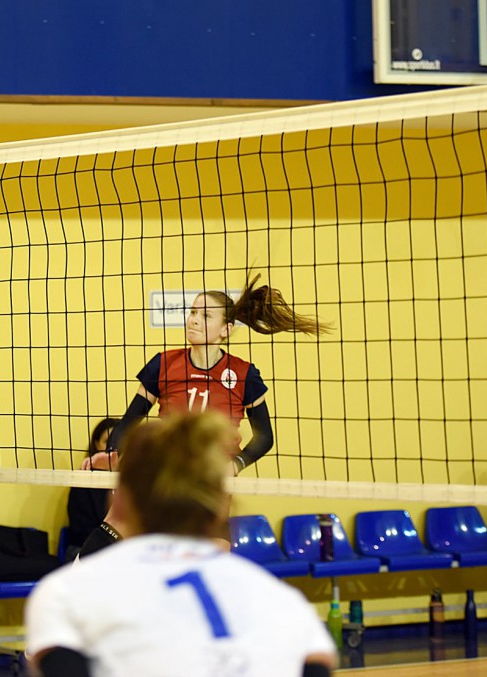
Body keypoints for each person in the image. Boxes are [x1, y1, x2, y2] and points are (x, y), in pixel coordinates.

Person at [26, 411, 337, 677]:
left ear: (119, 497)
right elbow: (317, 662)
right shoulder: (286, 604)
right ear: (219, 503)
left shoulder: (64, 597)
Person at [79, 276, 329, 556]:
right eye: (193, 312)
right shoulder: (163, 365)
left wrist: (236, 464)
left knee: (211, 554)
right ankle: (79, 575)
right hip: (166, 471)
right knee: (117, 524)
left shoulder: (244, 374)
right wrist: (114, 454)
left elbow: (265, 437)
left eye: (206, 315)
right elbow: (128, 422)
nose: (194, 320)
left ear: (226, 329)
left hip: (211, 479)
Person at [64, 418, 119, 561]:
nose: (113, 449)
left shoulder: (132, 480)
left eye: (118, 443)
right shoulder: (84, 480)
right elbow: (80, 530)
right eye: (107, 442)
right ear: (96, 444)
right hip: (83, 547)